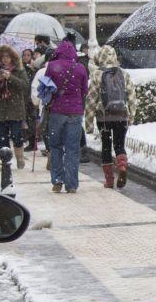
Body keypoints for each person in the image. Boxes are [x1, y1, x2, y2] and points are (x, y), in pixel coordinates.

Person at [85, 44, 136, 188]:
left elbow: (91, 100)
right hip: (121, 115)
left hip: (104, 118)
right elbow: (132, 96)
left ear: (100, 57)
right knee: (120, 144)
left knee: (106, 146)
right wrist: (131, 115)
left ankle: (109, 180)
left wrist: (88, 124)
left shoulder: (97, 74)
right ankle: (122, 166)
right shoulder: (124, 73)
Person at [43, 39, 88, 193]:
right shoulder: (81, 68)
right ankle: (72, 185)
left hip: (57, 111)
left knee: (55, 146)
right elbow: (84, 92)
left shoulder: (52, 66)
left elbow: (46, 88)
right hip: (75, 112)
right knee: (72, 149)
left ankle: (57, 181)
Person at [0, 45, 30, 168]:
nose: (5, 59)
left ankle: (19, 158)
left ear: (12, 58)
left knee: (17, 136)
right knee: (2, 137)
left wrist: (10, 77)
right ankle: (5, 161)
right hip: (0, 108)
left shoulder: (19, 70)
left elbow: (25, 86)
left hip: (15, 109)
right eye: (3, 57)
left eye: (8, 56)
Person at [21, 48, 41, 158]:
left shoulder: (34, 69)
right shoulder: (21, 69)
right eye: (24, 55)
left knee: (32, 119)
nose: (26, 57)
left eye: (28, 55)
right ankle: (29, 139)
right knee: (26, 119)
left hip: (31, 98)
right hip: (23, 97)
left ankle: (33, 141)